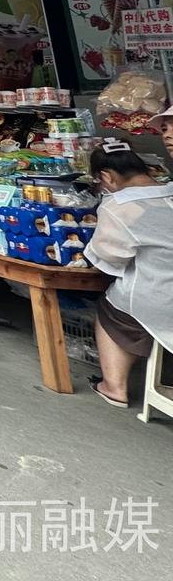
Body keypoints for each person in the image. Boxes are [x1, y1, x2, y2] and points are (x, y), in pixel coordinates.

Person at [83, 140, 173, 408]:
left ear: (106, 176)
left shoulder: (118, 206)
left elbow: (110, 258)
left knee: (112, 307)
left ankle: (114, 386)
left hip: (161, 296)